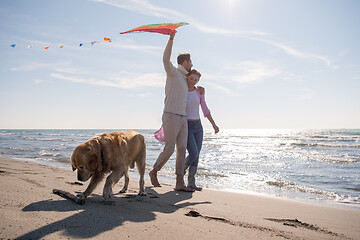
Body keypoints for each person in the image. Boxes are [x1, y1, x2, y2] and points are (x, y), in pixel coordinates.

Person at [149, 30, 194, 192]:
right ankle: (154, 171)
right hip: (171, 115)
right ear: (184, 62)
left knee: (182, 149)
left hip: (183, 118)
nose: (192, 65)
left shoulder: (186, 80)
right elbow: (165, 59)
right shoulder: (173, 72)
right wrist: (171, 39)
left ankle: (179, 182)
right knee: (169, 148)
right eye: (190, 62)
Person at [184, 69, 219, 191]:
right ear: (187, 77)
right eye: (191, 79)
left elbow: (205, 108)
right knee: (193, 153)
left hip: (198, 126)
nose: (193, 82)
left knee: (197, 155)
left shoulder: (199, 92)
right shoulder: (182, 90)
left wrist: (214, 124)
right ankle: (181, 169)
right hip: (187, 126)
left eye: (196, 80)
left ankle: (191, 183)